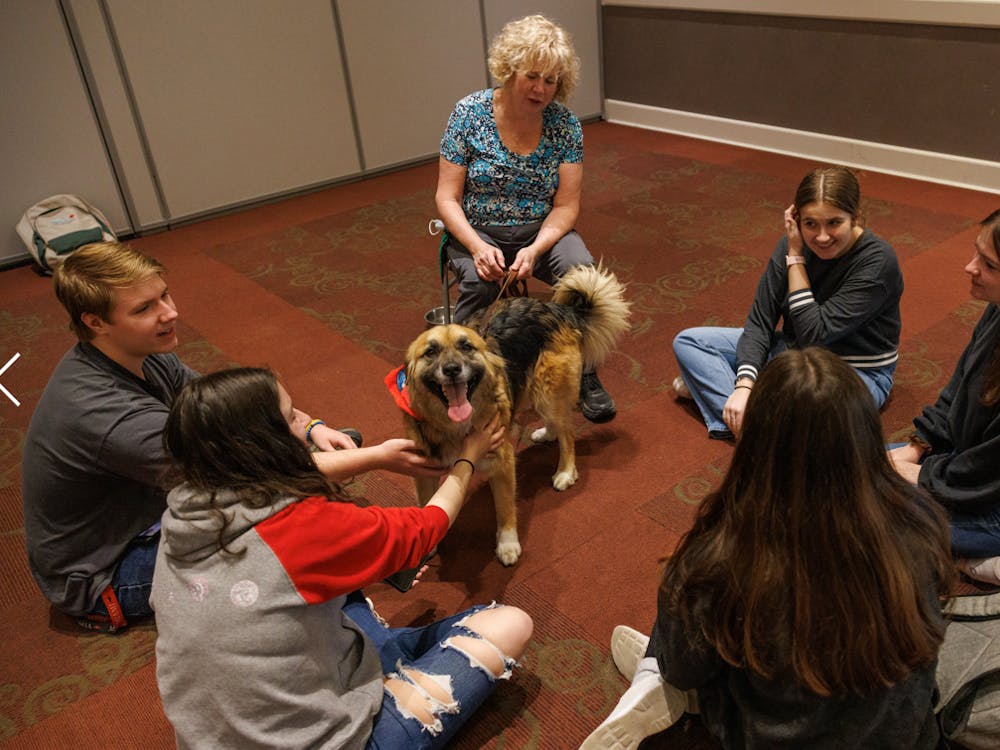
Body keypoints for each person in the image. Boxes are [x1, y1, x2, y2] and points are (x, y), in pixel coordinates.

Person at [20, 242, 428, 633]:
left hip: (158, 506)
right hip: (106, 572)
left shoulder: (142, 352)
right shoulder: (108, 414)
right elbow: (250, 481)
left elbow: (234, 411)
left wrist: (310, 428)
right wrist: (374, 458)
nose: (170, 313)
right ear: (94, 322)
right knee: (284, 534)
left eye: (165, 295)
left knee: (322, 459)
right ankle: (364, 627)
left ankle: (351, 555)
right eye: (146, 308)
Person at [583, 347, 954, 749]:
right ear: (864, 435)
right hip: (907, 737)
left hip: (776, 736)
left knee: (685, 619)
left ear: (757, 442)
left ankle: (651, 676)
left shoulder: (728, 554)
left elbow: (685, 665)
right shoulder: (920, 523)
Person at [151, 367, 533, 749]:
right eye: (291, 418)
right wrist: (469, 457)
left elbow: (278, 476)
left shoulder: (182, 515)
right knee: (511, 624)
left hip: (218, 736)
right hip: (326, 738)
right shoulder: (303, 528)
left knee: (342, 599)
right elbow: (429, 525)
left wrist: (376, 456)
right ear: (267, 445)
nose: (305, 422)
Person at [435, 14, 617, 424]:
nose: (541, 88)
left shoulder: (565, 125)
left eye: (551, 80)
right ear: (509, 69)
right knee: (479, 283)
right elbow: (446, 198)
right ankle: (463, 380)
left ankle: (584, 371)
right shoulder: (469, 113)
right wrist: (480, 247)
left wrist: (536, 249)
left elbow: (567, 206)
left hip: (541, 229)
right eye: (532, 76)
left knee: (582, 274)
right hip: (477, 230)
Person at [673, 165, 902, 439]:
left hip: (854, 371)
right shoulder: (790, 242)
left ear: (854, 217)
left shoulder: (878, 262)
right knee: (690, 342)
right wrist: (745, 385)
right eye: (810, 224)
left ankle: (735, 409)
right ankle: (756, 419)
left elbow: (813, 333)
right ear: (796, 219)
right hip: (794, 355)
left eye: (834, 222)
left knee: (816, 412)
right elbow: (760, 320)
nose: (822, 236)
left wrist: (795, 259)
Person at [890, 208, 1000, 585]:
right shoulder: (996, 310)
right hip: (966, 467)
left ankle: (976, 559)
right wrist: (917, 447)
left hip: (991, 500)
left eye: (988, 264)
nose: (970, 267)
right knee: (843, 460)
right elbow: (956, 388)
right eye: (976, 253)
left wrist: (921, 477)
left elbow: (989, 471)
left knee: (868, 511)